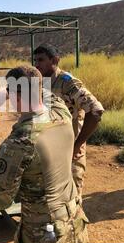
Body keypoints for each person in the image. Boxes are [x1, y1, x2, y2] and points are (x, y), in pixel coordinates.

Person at [0, 66, 89, 243]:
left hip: (45, 234)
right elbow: (44, 93)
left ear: (17, 97)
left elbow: (0, 200)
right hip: (75, 221)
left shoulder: (18, 143)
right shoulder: (61, 111)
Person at [34, 44, 104, 200]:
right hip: (48, 150)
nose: (36, 64)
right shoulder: (40, 82)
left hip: (69, 151)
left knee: (72, 199)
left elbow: (96, 110)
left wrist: (77, 144)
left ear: (55, 60)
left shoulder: (67, 82)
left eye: (41, 60)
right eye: (35, 60)